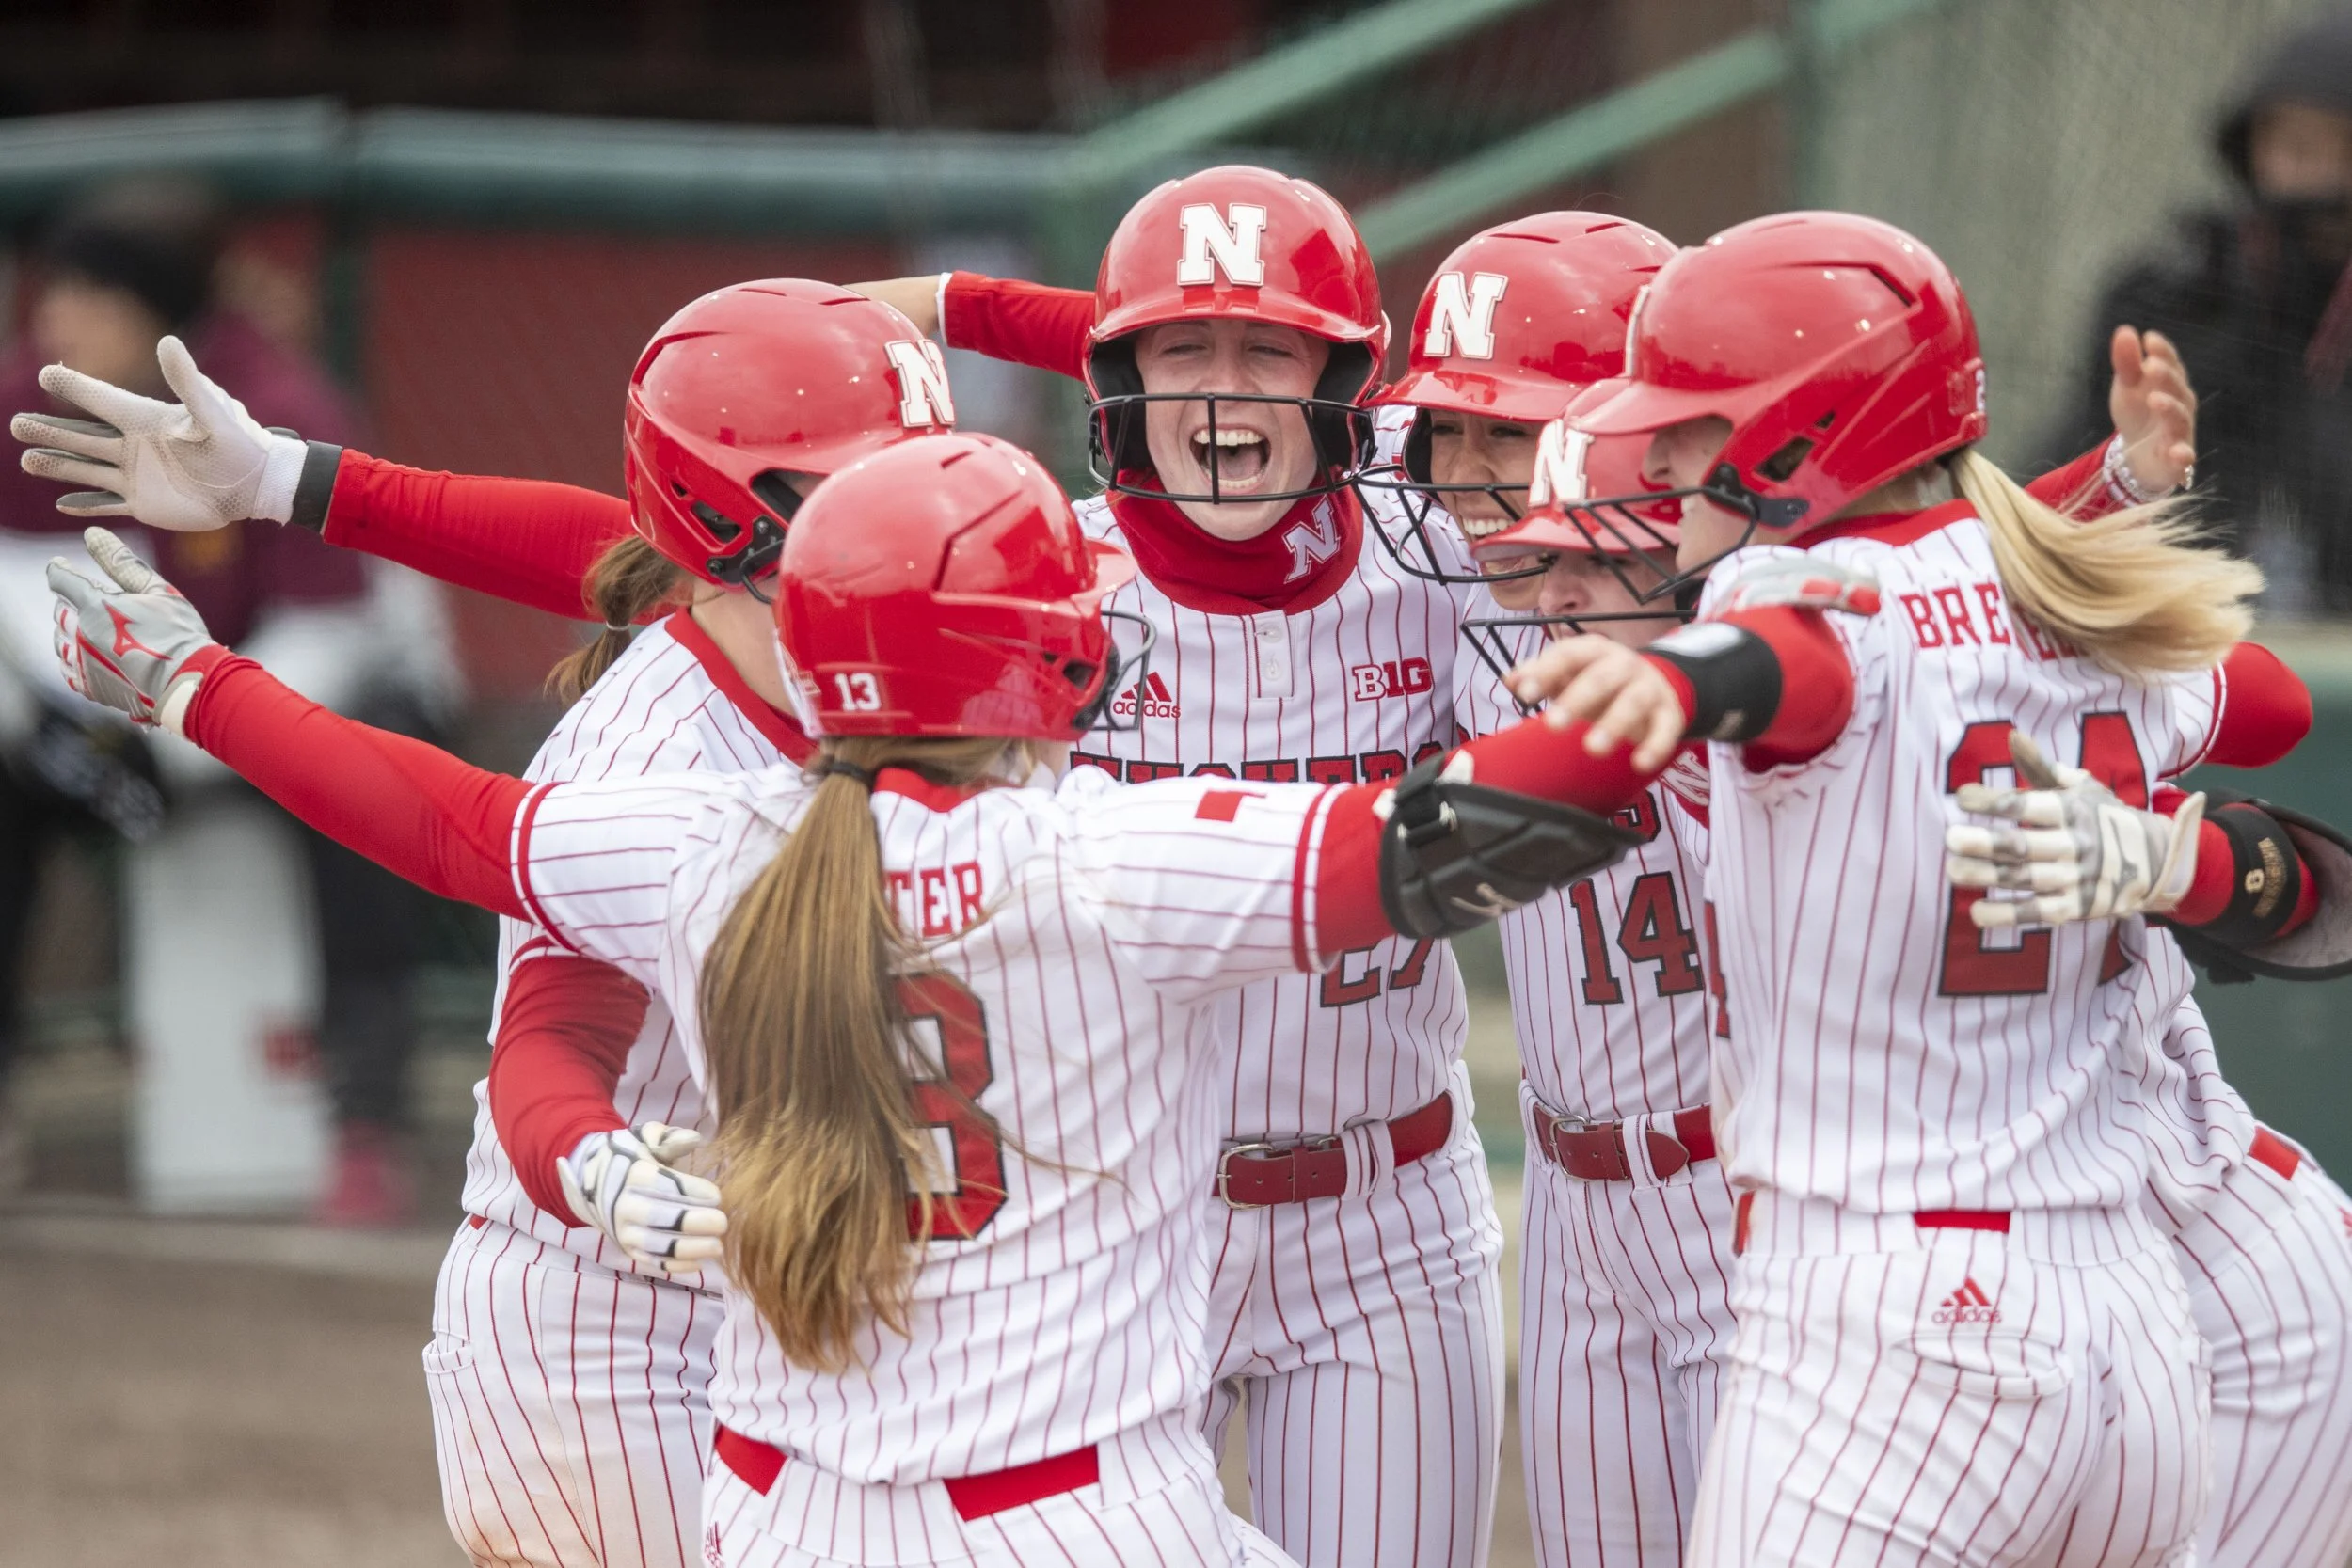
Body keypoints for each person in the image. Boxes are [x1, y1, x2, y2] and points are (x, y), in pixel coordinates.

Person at [42, 429, 1669, 1568]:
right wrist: (1689, 660)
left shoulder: (719, 838)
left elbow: (447, 819)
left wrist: (197, 681)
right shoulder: (1111, 854)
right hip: (1075, 1523)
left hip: (778, 1516)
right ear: (1056, 655)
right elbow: (1473, 837)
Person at [15, 277, 959, 1568]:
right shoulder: (656, 747)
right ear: (733, 518)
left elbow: (611, 554)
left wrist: (293, 479)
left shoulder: (869, 632)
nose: (913, 521)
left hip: (806, 1289)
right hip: (623, 1326)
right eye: (851, 488)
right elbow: (544, 1017)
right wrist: (590, 1158)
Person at [1510, 209, 2326, 1567]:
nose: (1662, 454)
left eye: (1694, 420)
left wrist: (1668, 679)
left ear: (1805, 423)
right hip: (2129, 1320)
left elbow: (1800, 665)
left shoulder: (1805, 591)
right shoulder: (2061, 594)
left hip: (1888, 1320)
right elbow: (2275, 704)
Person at [856, 166, 1505, 1568]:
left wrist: (970, 301)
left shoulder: (1436, 551)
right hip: (1118, 1222)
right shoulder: (1037, 571)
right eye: (1178, 351)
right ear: (1118, 376)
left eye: (1269, 350)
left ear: (1341, 378)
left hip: (1385, 1211)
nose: (1222, 396)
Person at [0, 177, 452, 1223]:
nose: (59, 319)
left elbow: (334, 631)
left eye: (94, 297)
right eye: (56, 291)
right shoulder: (29, 393)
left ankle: (363, 1122)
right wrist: (82, 722)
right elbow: (22, 574)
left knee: (369, 788)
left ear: (164, 318)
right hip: (124, 710)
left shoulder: (274, 406)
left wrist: (189, 726)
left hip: (290, 700)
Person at [2049, 5, 2352, 610]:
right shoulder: (2177, 288)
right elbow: (2076, 471)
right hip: (2184, 622)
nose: (2298, 166)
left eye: (2325, 143)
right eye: (2284, 140)